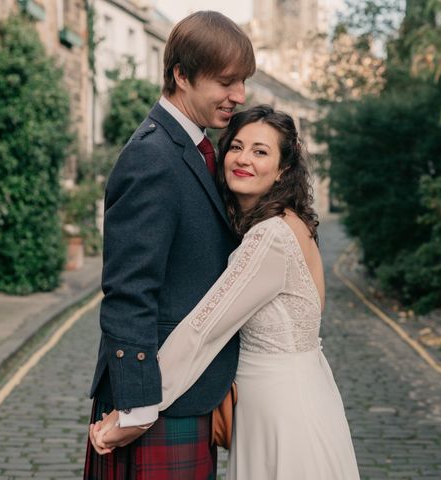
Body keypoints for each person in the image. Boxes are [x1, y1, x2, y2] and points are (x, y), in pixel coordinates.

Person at [94, 105, 361, 479]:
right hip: (293, 399)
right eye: (236, 147)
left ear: (284, 169)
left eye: (261, 151)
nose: (243, 159)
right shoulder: (287, 223)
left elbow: (204, 330)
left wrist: (136, 411)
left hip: (282, 414)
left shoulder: (270, 237)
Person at [84, 11, 256, 479]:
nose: (238, 96)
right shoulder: (152, 156)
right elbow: (128, 288)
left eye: (242, 82)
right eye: (226, 82)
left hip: (187, 390)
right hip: (155, 397)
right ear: (181, 75)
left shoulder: (199, 149)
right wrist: (139, 407)